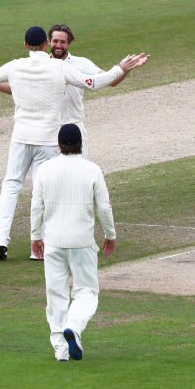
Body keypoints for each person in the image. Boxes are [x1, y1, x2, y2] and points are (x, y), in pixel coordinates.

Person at [0, 26, 146, 260]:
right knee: (42, 191)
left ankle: (1, 241)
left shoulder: (16, 65)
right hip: (48, 140)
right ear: (46, 44)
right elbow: (93, 82)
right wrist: (120, 68)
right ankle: (39, 251)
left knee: (11, 186)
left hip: (21, 137)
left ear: (25, 46)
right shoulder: (60, 67)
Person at [0, 24, 132, 155]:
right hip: (49, 130)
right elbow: (14, 89)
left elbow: (110, 81)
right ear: (47, 42)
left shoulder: (82, 63)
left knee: (78, 171)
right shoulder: (40, 66)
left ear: (69, 43)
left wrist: (124, 69)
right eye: (55, 41)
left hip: (74, 126)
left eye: (63, 42)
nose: (58, 45)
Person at [30, 123, 116, 362]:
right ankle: (74, 328)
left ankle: (61, 349)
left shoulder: (46, 170)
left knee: (55, 294)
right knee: (87, 291)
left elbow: (37, 205)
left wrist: (35, 236)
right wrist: (110, 234)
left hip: (54, 242)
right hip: (82, 242)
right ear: (81, 144)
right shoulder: (91, 170)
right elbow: (104, 206)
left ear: (59, 145)